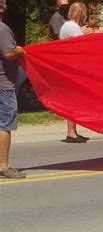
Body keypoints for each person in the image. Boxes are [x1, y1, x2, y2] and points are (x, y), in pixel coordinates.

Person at [0, 0, 26, 178]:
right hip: (3, 85)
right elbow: (8, 53)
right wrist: (21, 51)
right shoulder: (2, 29)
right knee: (4, 125)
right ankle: (3, 166)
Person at [59, 2, 90, 143]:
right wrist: (88, 34)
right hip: (71, 69)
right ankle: (71, 132)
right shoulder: (72, 26)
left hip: (70, 68)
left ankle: (73, 131)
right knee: (73, 101)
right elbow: (83, 44)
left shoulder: (69, 26)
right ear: (79, 14)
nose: (84, 16)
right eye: (83, 13)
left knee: (74, 100)